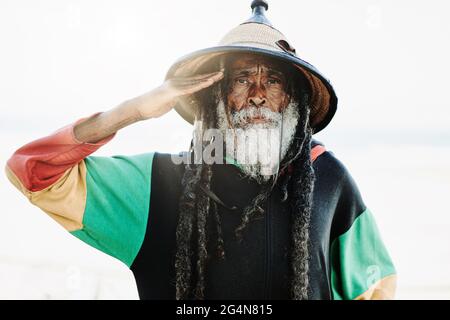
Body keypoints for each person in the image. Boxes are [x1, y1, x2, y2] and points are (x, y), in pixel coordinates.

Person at [5, 1, 396, 300]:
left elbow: (376, 285)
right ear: (215, 94)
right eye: (242, 79)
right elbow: (34, 171)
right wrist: (132, 111)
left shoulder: (326, 177)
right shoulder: (158, 183)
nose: (257, 95)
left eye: (273, 80)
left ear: (293, 100)